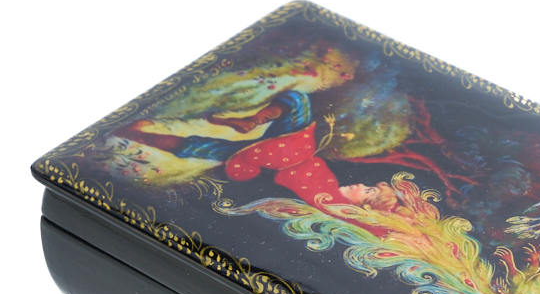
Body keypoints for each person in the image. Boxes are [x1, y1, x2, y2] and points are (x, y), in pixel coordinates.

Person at [118, 90, 400, 212]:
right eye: (368, 186)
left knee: (298, 101)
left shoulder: (328, 202)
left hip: (286, 152)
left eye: (367, 192)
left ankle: (253, 120)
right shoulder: (329, 198)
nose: (360, 185)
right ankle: (132, 133)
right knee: (201, 147)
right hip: (277, 153)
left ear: (362, 207)